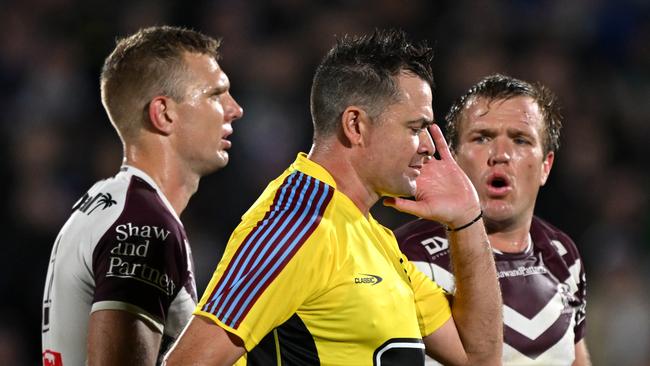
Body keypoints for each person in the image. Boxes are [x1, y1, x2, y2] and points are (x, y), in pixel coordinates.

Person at [165, 29, 502, 366]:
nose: (429, 146)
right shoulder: (296, 224)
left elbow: (478, 356)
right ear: (355, 125)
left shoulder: (368, 233)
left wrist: (467, 220)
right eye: (415, 129)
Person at [41, 25, 243, 366]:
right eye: (215, 95)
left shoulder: (110, 203)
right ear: (164, 113)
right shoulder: (145, 226)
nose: (234, 109)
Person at [394, 74, 590, 365]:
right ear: (454, 158)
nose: (501, 155)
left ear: (545, 166)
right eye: (482, 138)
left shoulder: (562, 253)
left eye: (521, 140)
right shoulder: (408, 255)